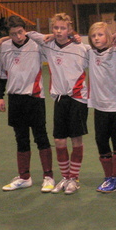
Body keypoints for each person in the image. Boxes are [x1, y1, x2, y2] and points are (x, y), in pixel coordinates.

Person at [25, 13, 89, 195]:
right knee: (59, 140)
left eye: (63, 28)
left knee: (76, 139)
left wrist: (75, 36)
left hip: (78, 98)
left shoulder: (81, 48)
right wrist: (50, 36)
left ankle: (74, 178)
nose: (59, 31)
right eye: (56, 28)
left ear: (70, 29)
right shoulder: (48, 45)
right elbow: (28, 34)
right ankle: (65, 177)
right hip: (60, 98)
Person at [0, 15, 54, 192]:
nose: (18, 37)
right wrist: (0, 96)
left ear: (25, 30)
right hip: (15, 99)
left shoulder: (36, 45)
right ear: (8, 34)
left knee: (41, 137)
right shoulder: (5, 47)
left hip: (34, 97)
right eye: (13, 34)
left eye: (21, 32)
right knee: (21, 139)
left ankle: (48, 177)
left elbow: (51, 40)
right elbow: (2, 74)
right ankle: (24, 177)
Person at [87, 21, 116, 193]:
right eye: (93, 35)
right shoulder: (90, 53)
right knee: (101, 141)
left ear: (108, 36)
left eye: (100, 34)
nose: (97, 38)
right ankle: (108, 177)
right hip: (99, 107)